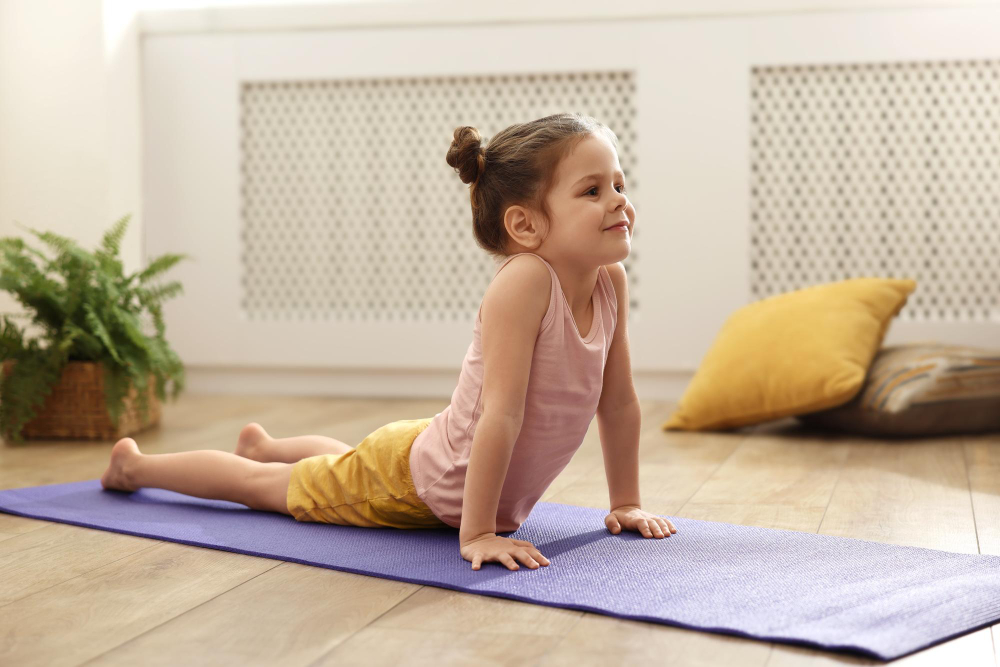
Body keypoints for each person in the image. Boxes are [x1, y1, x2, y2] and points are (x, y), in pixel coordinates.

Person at [101, 112, 677, 572]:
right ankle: (136, 468)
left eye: (620, 184)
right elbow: (500, 415)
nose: (619, 199)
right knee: (265, 490)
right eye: (593, 190)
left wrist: (624, 502)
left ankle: (266, 443)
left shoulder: (609, 283)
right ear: (525, 225)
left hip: (427, 457)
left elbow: (618, 401)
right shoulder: (525, 282)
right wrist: (476, 533)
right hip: (420, 488)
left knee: (347, 467)